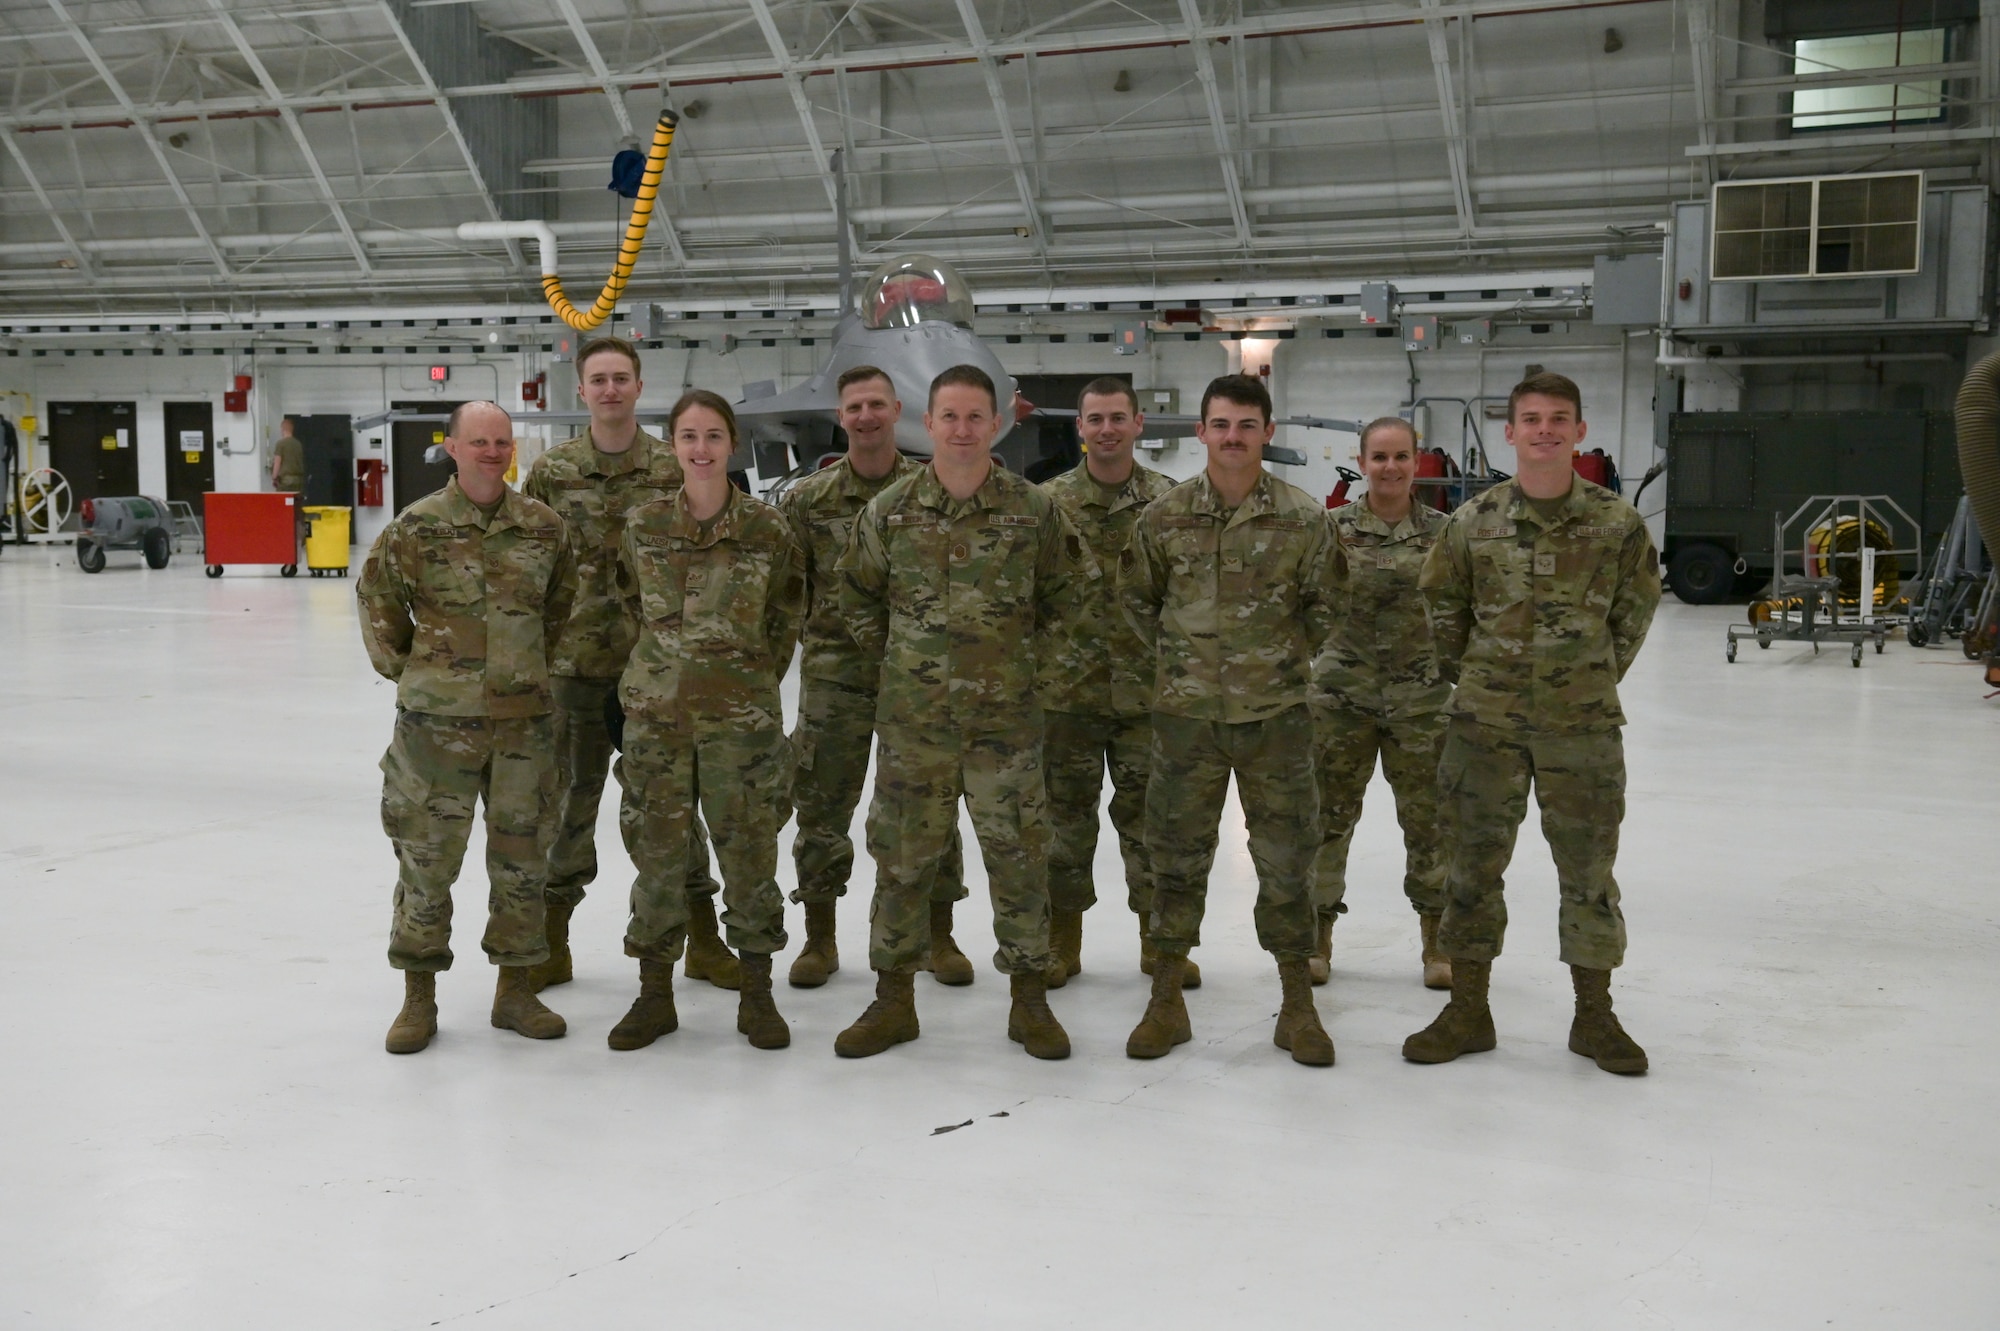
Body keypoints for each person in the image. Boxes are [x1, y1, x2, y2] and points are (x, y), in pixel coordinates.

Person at [832, 364, 1094, 1060]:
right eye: (949, 416)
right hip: (914, 726)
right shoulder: (890, 511)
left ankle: (1030, 1001)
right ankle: (892, 1000)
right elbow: (854, 596)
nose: (962, 430)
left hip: (1005, 727)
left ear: (998, 422)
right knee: (902, 860)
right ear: (928, 421)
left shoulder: (1032, 510)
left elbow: (1072, 600)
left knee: (1019, 859)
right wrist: (896, 663)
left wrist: (1038, 678)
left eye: (976, 416)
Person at [1404, 371, 1661, 1075]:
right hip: (1483, 724)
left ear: (1580, 432)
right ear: (1511, 432)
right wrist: (1482, 676)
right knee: (1470, 870)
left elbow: (1635, 612)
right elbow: (1442, 610)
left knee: (1589, 874)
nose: (1545, 429)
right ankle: (1468, 1010)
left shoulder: (1616, 523)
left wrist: (1586, 676)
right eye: (1531, 418)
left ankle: (1594, 1015)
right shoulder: (1473, 522)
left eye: (1559, 418)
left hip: (1581, 728)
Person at [1120, 373, 1346, 1067]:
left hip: (1275, 718)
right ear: (1202, 432)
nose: (1233, 437)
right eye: (1221, 425)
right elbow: (1135, 605)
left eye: (1247, 425)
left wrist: (1274, 666)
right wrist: (1181, 672)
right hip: (1186, 720)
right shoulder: (1163, 517)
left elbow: (1327, 609)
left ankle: (1296, 1004)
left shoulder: (1305, 519)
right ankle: (1165, 997)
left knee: (1287, 862)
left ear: (1267, 433)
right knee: (1174, 858)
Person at [357, 401, 578, 1054]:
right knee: (427, 859)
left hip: (524, 728)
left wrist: (530, 666)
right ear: (451, 447)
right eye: (478, 441)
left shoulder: (543, 528)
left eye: (501, 442)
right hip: (436, 730)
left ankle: (515, 990)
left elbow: (561, 606)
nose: (491, 451)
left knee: (523, 860)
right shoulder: (417, 528)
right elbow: (378, 600)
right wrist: (420, 672)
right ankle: (418, 996)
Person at [521, 336, 737, 996]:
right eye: (598, 379)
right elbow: (531, 568)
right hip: (575, 669)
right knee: (568, 807)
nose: (610, 389)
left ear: (639, 387)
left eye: (621, 378)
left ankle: (703, 936)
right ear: (582, 391)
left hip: (659, 673)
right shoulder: (553, 474)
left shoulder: (672, 468)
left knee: (671, 806)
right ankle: (551, 942)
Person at [604, 391, 805, 1051]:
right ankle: (654, 994)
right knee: (657, 857)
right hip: (657, 722)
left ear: (732, 443)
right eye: (688, 435)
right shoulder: (642, 527)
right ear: (673, 445)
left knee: (750, 853)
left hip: (740, 722)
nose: (700, 448)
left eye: (713, 435)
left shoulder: (766, 530)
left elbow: (785, 617)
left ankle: (757, 993)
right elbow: (628, 603)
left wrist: (745, 679)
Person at [778, 366, 971, 990]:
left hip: (918, 682)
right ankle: (820, 938)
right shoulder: (808, 501)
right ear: (842, 415)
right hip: (835, 680)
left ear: (898, 412)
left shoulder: (931, 489)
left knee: (929, 810)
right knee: (821, 809)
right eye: (855, 406)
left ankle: (938, 936)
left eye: (877, 405)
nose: (866, 416)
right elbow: (786, 595)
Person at [1036, 377, 1190, 988]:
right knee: (1061, 826)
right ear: (1080, 428)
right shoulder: (1045, 505)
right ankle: (1061, 942)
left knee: (1153, 825)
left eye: (1117, 418)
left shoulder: (1168, 502)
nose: (1106, 429)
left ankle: (1158, 943)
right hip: (1064, 697)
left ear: (1138, 424)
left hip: (1146, 696)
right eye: (1095, 419)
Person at [1308, 417, 1454, 990]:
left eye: (1400, 457)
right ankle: (1317, 934)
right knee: (1326, 820)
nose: (1389, 467)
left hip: (1422, 702)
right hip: (1341, 699)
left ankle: (1437, 941)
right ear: (1362, 461)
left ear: (1416, 462)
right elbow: (1302, 599)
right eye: (1379, 457)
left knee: (1432, 825)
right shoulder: (1330, 529)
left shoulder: (1447, 532)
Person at [270, 417, 305, 494]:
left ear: (283, 429)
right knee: (295, 504)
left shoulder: (280, 444)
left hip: (286, 482)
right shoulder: (298, 444)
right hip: (298, 481)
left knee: (282, 503)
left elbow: (277, 462)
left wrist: (274, 477)